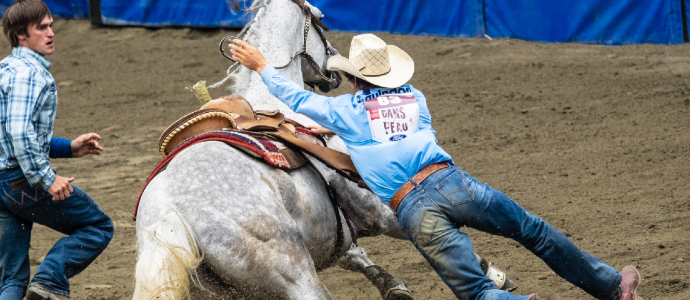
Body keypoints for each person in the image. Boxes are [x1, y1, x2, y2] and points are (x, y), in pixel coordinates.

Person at [228, 34, 642, 300]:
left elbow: (298, 100)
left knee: (476, 293)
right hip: (451, 182)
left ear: (354, 80)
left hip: (413, 207)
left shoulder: (346, 111)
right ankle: (610, 286)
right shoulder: (416, 99)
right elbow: (391, 131)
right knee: (532, 231)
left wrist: (262, 65)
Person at [0, 1, 114, 299]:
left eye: (51, 25)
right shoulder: (31, 74)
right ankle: (49, 282)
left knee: (11, 280)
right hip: (20, 182)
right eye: (42, 28)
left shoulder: (1, 70)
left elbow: (9, 137)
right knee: (97, 226)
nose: (51, 33)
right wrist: (47, 178)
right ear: (21, 34)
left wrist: (69, 148)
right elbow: (20, 133)